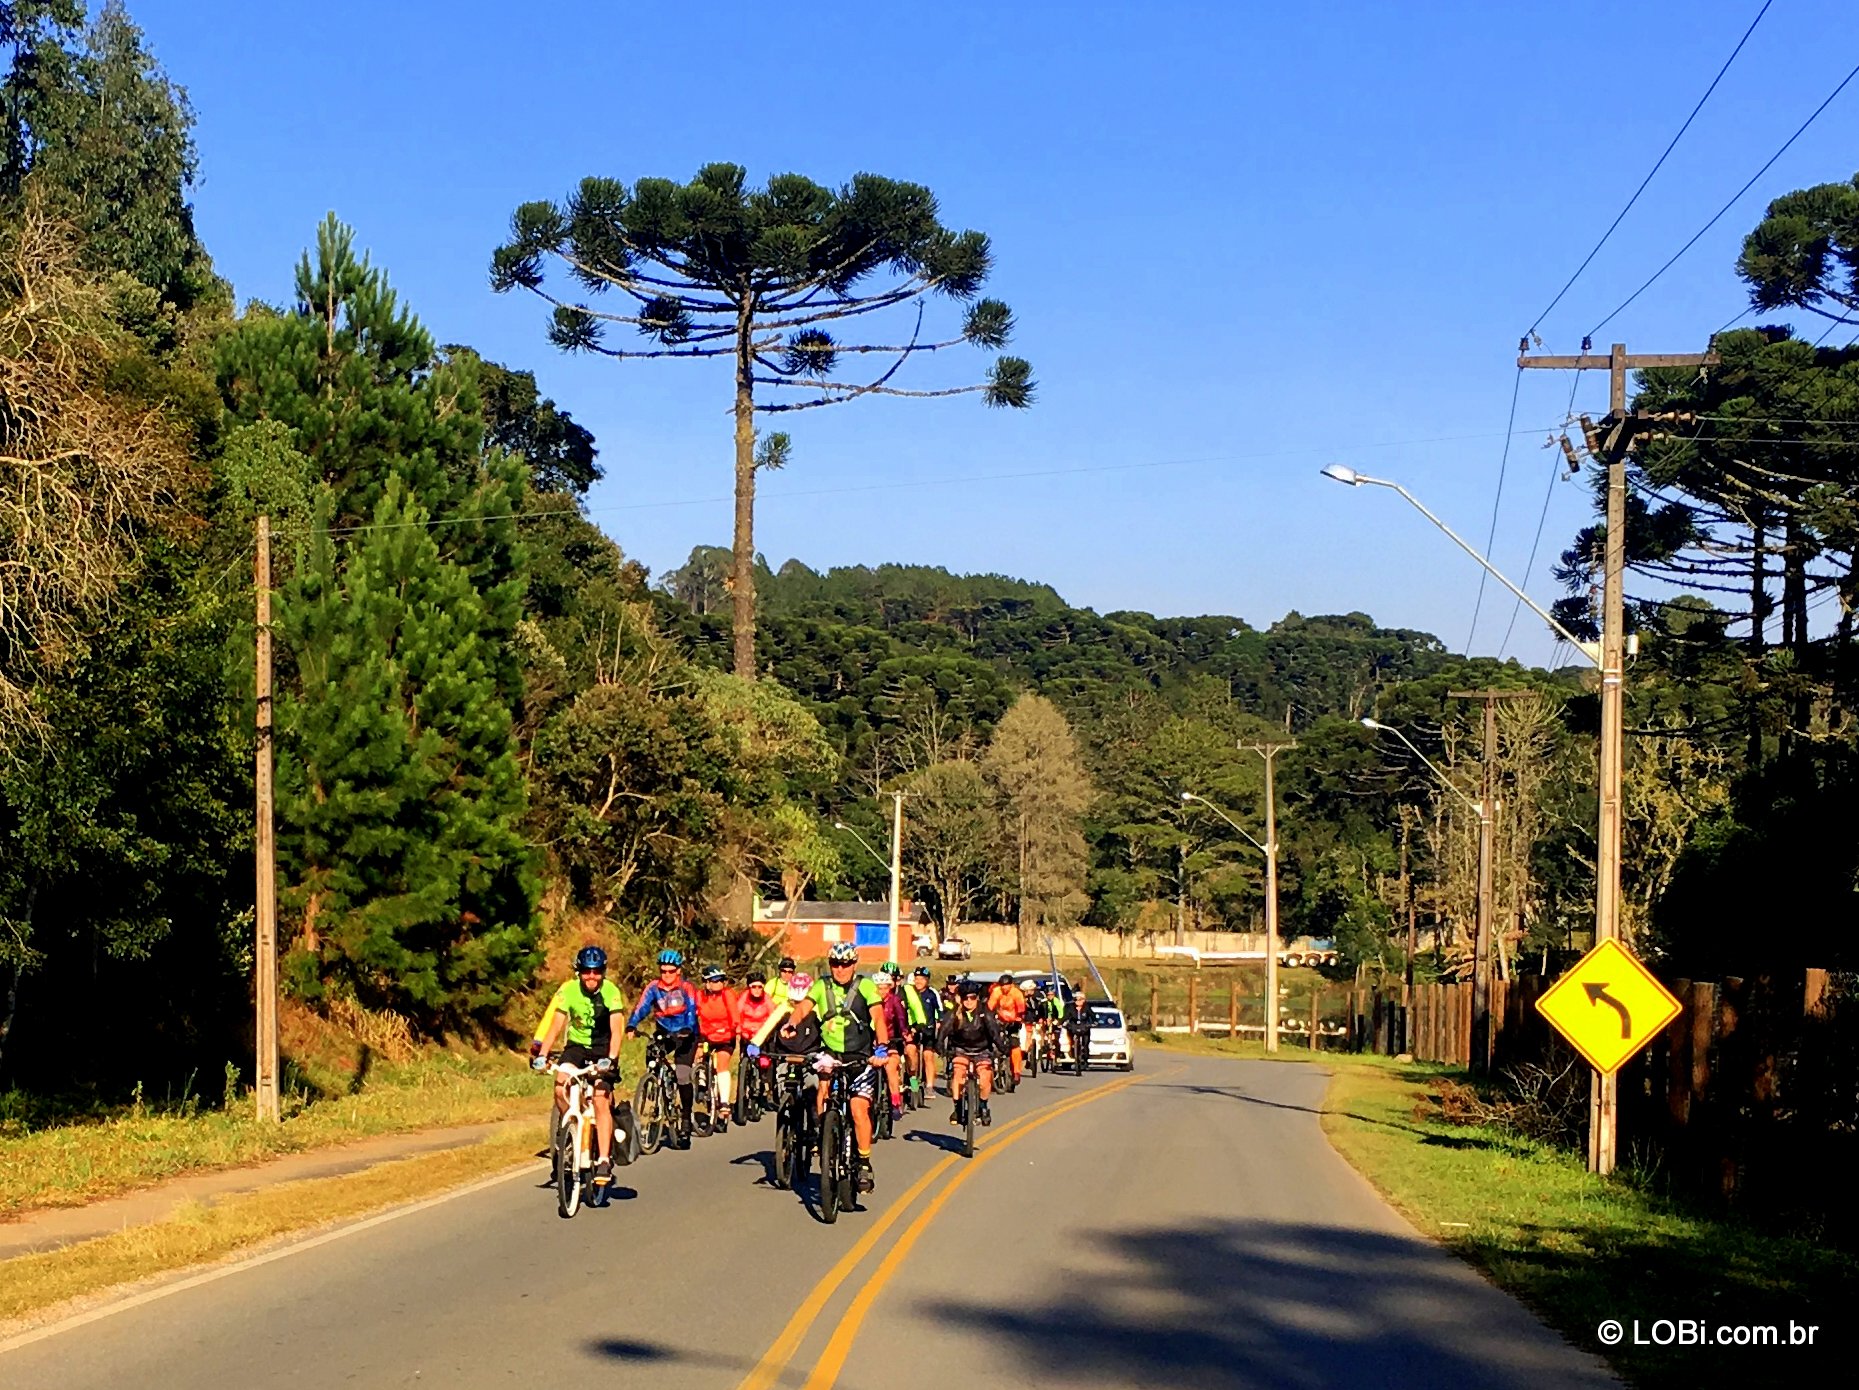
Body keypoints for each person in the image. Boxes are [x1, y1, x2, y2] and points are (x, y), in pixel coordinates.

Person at [530, 945, 626, 1189]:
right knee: (560, 1085)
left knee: (601, 1099)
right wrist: (542, 1055)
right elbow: (556, 1025)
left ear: (603, 972)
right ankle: (572, 1126)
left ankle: (603, 1159)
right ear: (579, 972)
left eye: (596, 972)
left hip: (603, 1048)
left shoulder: (611, 992)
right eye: (586, 972)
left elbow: (617, 1029)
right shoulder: (569, 991)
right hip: (577, 1046)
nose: (591, 977)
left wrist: (611, 1058)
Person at [806, 943, 891, 1193]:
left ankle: (863, 1162)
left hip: (862, 1056)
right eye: (835, 964)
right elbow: (804, 1007)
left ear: (854, 964)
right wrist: (790, 1024)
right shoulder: (822, 985)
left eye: (845, 964)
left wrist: (882, 1047)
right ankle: (825, 1136)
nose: (840, 969)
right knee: (823, 1089)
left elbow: (878, 1017)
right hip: (832, 1053)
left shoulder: (865, 986)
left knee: (857, 1109)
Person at [625, 949, 700, 1147]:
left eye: (670, 971)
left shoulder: (686, 988)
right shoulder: (653, 987)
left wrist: (687, 1028)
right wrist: (632, 1024)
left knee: (683, 1075)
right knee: (652, 1052)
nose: (666, 975)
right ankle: (656, 1085)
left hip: (687, 1033)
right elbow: (641, 1007)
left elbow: (692, 1011)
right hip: (665, 1032)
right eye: (663, 971)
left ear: (678, 971)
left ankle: (684, 1118)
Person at [937, 978, 1003, 1126]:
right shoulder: (956, 1012)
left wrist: (1002, 1048)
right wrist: (940, 1045)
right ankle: (957, 1107)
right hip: (961, 1049)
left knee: (985, 1077)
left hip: (982, 1049)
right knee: (958, 1074)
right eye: (965, 998)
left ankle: (984, 1107)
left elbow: (994, 1032)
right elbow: (944, 1030)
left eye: (972, 997)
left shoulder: (985, 1012)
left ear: (977, 997)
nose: (969, 1001)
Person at [695, 966, 741, 1131]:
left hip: (725, 1037)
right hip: (707, 1036)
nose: (719, 984)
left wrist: (736, 1027)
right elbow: (694, 1014)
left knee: (721, 1065)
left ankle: (724, 1103)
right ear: (707, 983)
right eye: (715, 981)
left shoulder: (727, 994)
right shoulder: (700, 996)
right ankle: (701, 1082)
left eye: (722, 980)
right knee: (698, 1055)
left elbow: (734, 1013)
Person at [872, 965, 911, 1120]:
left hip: (891, 1042)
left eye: (885, 988)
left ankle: (895, 1102)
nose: (882, 992)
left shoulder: (895, 1001)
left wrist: (904, 1034)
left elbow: (901, 1019)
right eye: (879, 988)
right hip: (872, 1042)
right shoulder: (870, 1001)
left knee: (890, 1068)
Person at [905, 965, 942, 1098]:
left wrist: (938, 1023)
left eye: (922, 978)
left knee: (928, 1057)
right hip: (913, 1029)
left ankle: (929, 1086)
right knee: (911, 1054)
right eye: (916, 978)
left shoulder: (932, 993)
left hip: (928, 1029)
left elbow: (939, 1010)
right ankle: (913, 1082)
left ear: (927, 980)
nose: (919, 981)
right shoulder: (909, 992)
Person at [987, 973, 1029, 1084]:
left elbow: (1021, 1009)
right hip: (1000, 1020)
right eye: (1002, 986)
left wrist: (1019, 1018)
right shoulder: (997, 992)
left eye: (1006, 985)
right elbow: (990, 1007)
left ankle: (1016, 1072)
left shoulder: (1016, 993)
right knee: (992, 1040)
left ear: (1011, 985)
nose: (1004, 988)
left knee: (1014, 1045)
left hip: (1014, 1021)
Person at [1063, 980, 1095, 1074]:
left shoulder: (1087, 1008)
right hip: (1073, 1027)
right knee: (1072, 1041)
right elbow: (1065, 1017)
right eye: (1076, 999)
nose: (1078, 1001)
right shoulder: (1070, 1008)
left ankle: (1085, 1058)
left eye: (1080, 999)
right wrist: (1060, 1022)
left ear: (1084, 1000)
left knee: (1085, 1044)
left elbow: (1092, 1016)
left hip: (1084, 1027)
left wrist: (1094, 1022)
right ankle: (1074, 1053)